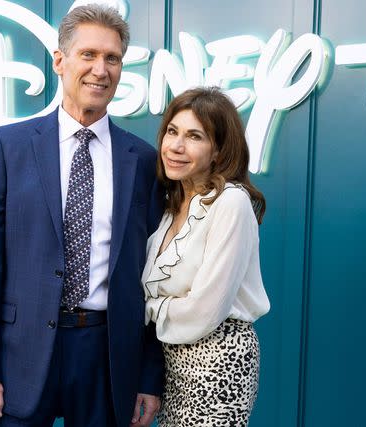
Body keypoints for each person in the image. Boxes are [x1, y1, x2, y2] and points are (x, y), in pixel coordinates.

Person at [0, 5, 164, 427]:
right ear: (59, 61)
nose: (100, 69)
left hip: (107, 355)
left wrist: (149, 376)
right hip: (22, 352)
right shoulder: (8, 146)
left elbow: (153, 279)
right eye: (88, 54)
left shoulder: (142, 160)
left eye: (112, 58)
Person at [142, 86, 270, 426]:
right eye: (172, 132)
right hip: (174, 362)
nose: (176, 147)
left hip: (219, 359)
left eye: (194, 136)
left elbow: (206, 308)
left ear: (218, 151)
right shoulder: (173, 205)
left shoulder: (231, 202)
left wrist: (146, 309)